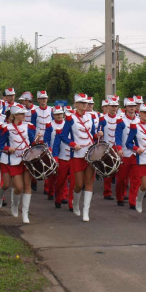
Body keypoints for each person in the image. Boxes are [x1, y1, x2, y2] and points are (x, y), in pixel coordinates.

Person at [54, 93, 102, 222]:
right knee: (79, 184)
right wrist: (72, 144)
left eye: (85, 103)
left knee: (89, 182)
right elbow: (63, 136)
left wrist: (98, 135)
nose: (84, 105)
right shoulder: (70, 118)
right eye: (81, 103)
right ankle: (75, 203)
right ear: (75, 104)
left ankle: (86, 211)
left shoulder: (91, 116)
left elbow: (92, 134)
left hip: (90, 153)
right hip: (77, 154)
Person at [0, 104, 40, 223]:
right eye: (21, 114)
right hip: (14, 161)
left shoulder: (29, 127)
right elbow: (0, 145)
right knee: (18, 187)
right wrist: (8, 148)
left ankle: (25, 213)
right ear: (15, 115)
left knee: (27, 186)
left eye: (24, 113)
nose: (23, 115)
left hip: (26, 160)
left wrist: (37, 141)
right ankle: (9, 201)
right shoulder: (7, 128)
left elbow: (32, 143)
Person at [114, 97, 139, 208]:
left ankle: (133, 201)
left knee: (135, 179)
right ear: (125, 108)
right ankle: (120, 197)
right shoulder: (121, 120)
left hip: (136, 153)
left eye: (133, 106)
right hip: (124, 152)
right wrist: (119, 148)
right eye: (129, 106)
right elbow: (118, 137)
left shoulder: (139, 120)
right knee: (122, 179)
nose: (132, 108)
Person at [50, 106, 75, 210]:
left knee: (73, 182)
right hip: (62, 158)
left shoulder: (75, 127)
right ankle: (58, 198)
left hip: (74, 157)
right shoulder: (60, 130)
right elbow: (55, 145)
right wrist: (55, 158)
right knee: (60, 181)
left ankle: (71, 203)